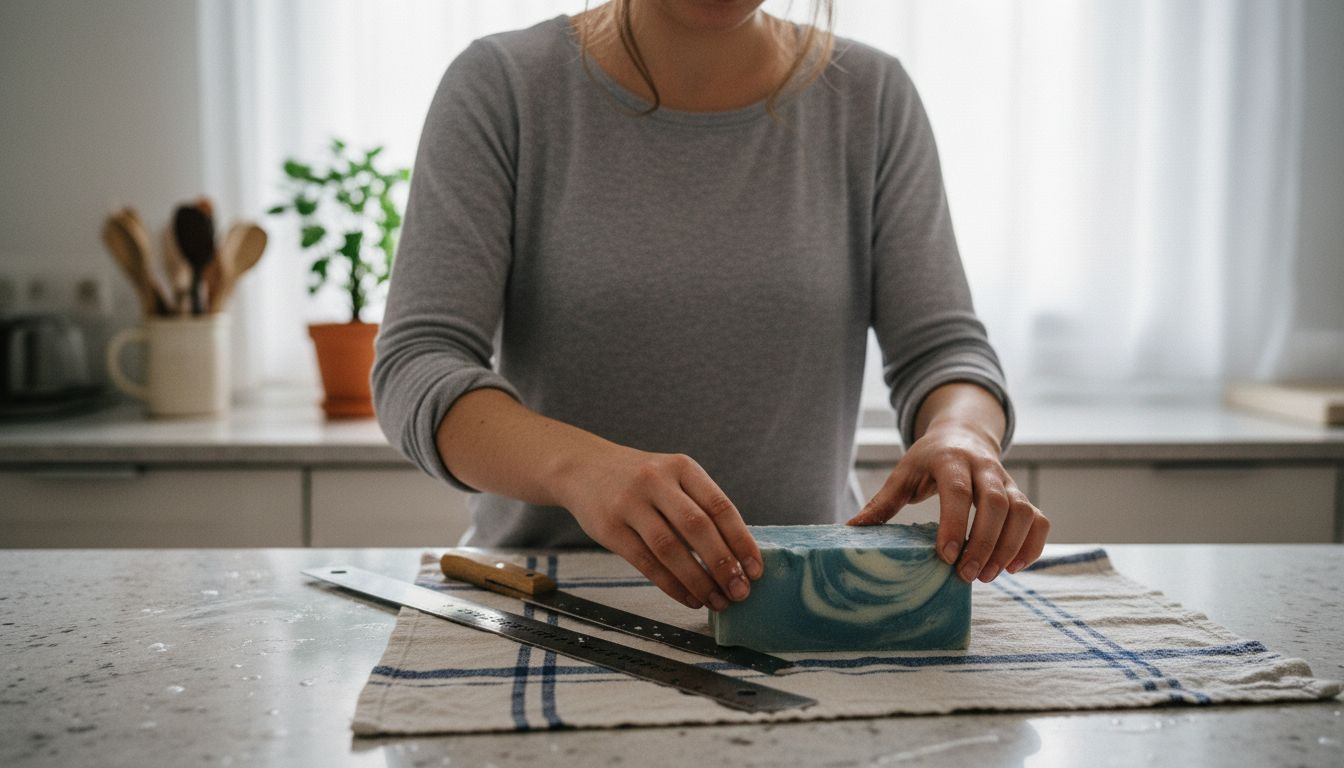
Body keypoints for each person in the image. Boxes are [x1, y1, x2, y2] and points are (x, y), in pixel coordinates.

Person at [372, 0, 1049, 614]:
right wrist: (584, 471)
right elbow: (418, 365)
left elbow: (944, 352)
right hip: (550, 597)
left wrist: (961, 433)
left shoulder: (871, 95)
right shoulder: (504, 85)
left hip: (804, 604)